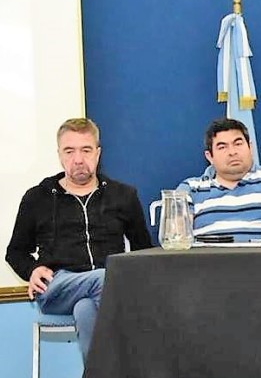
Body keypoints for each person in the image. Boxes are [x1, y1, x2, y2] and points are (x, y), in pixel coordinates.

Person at [6, 118, 152, 360]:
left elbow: (143, 250)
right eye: (69, 151)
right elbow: (15, 252)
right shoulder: (38, 198)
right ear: (59, 155)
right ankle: (135, 367)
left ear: (98, 153)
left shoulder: (123, 195)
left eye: (86, 150)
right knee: (106, 278)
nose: (78, 159)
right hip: (58, 285)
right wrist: (32, 269)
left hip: (106, 288)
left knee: (85, 310)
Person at [176, 118, 261, 243]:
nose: (232, 152)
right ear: (210, 156)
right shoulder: (189, 189)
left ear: (250, 148)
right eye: (222, 147)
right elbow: (178, 241)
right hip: (207, 256)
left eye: (238, 144)